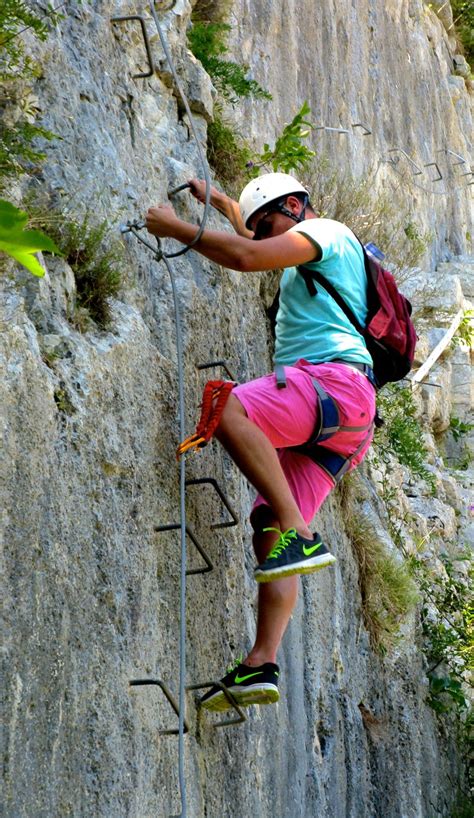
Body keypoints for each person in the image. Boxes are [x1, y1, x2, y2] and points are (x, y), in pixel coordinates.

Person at [145, 172, 376, 712]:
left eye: (270, 221)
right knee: (267, 525)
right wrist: (223, 202)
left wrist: (175, 228)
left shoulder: (333, 234)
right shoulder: (306, 250)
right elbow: (255, 244)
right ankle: (260, 663)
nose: (264, 233)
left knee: (225, 405)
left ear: (296, 205)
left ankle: (303, 532)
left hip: (330, 386)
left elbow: (248, 259)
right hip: (345, 419)